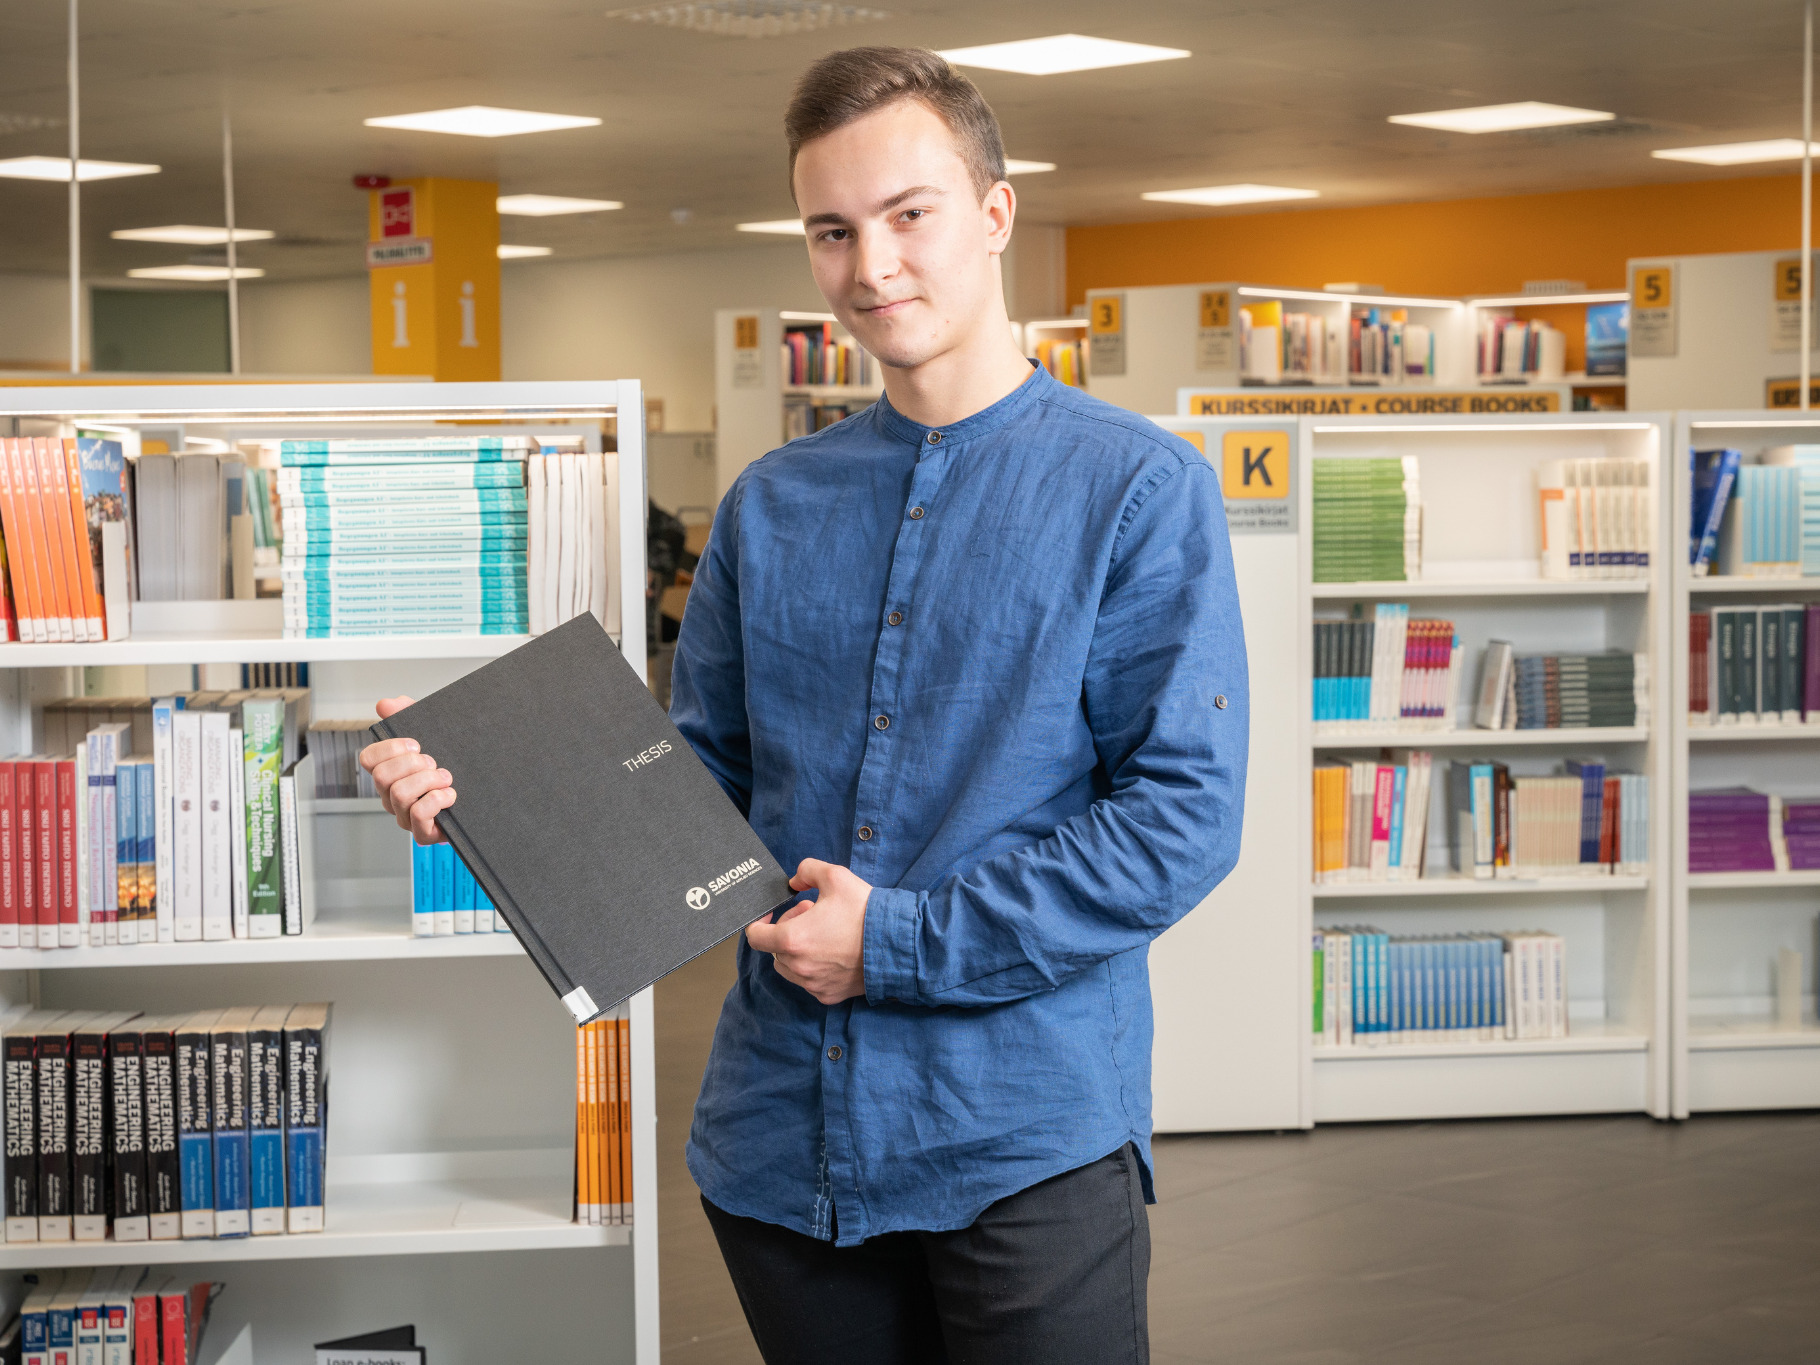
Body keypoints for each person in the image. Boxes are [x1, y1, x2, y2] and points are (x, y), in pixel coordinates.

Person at [361, 45, 1247, 1365]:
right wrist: (481, 804)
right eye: (831, 231)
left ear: (995, 213)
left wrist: (895, 943)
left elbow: (1180, 820)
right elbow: (684, 787)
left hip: (1024, 1145)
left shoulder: (1137, 492)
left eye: (908, 215)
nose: (870, 264)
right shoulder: (771, 506)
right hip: (782, 1149)